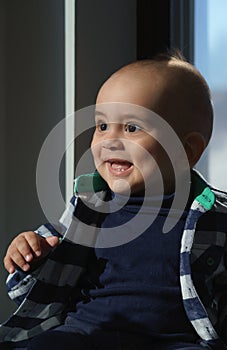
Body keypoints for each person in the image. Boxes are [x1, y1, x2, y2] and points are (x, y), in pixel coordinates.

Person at [1, 51, 227, 350]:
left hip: (173, 341)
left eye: (132, 128)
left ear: (187, 150)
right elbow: (33, 286)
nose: (110, 140)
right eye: (102, 126)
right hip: (85, 332)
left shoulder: (213, 217)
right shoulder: (87, 207)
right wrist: (30, 255)